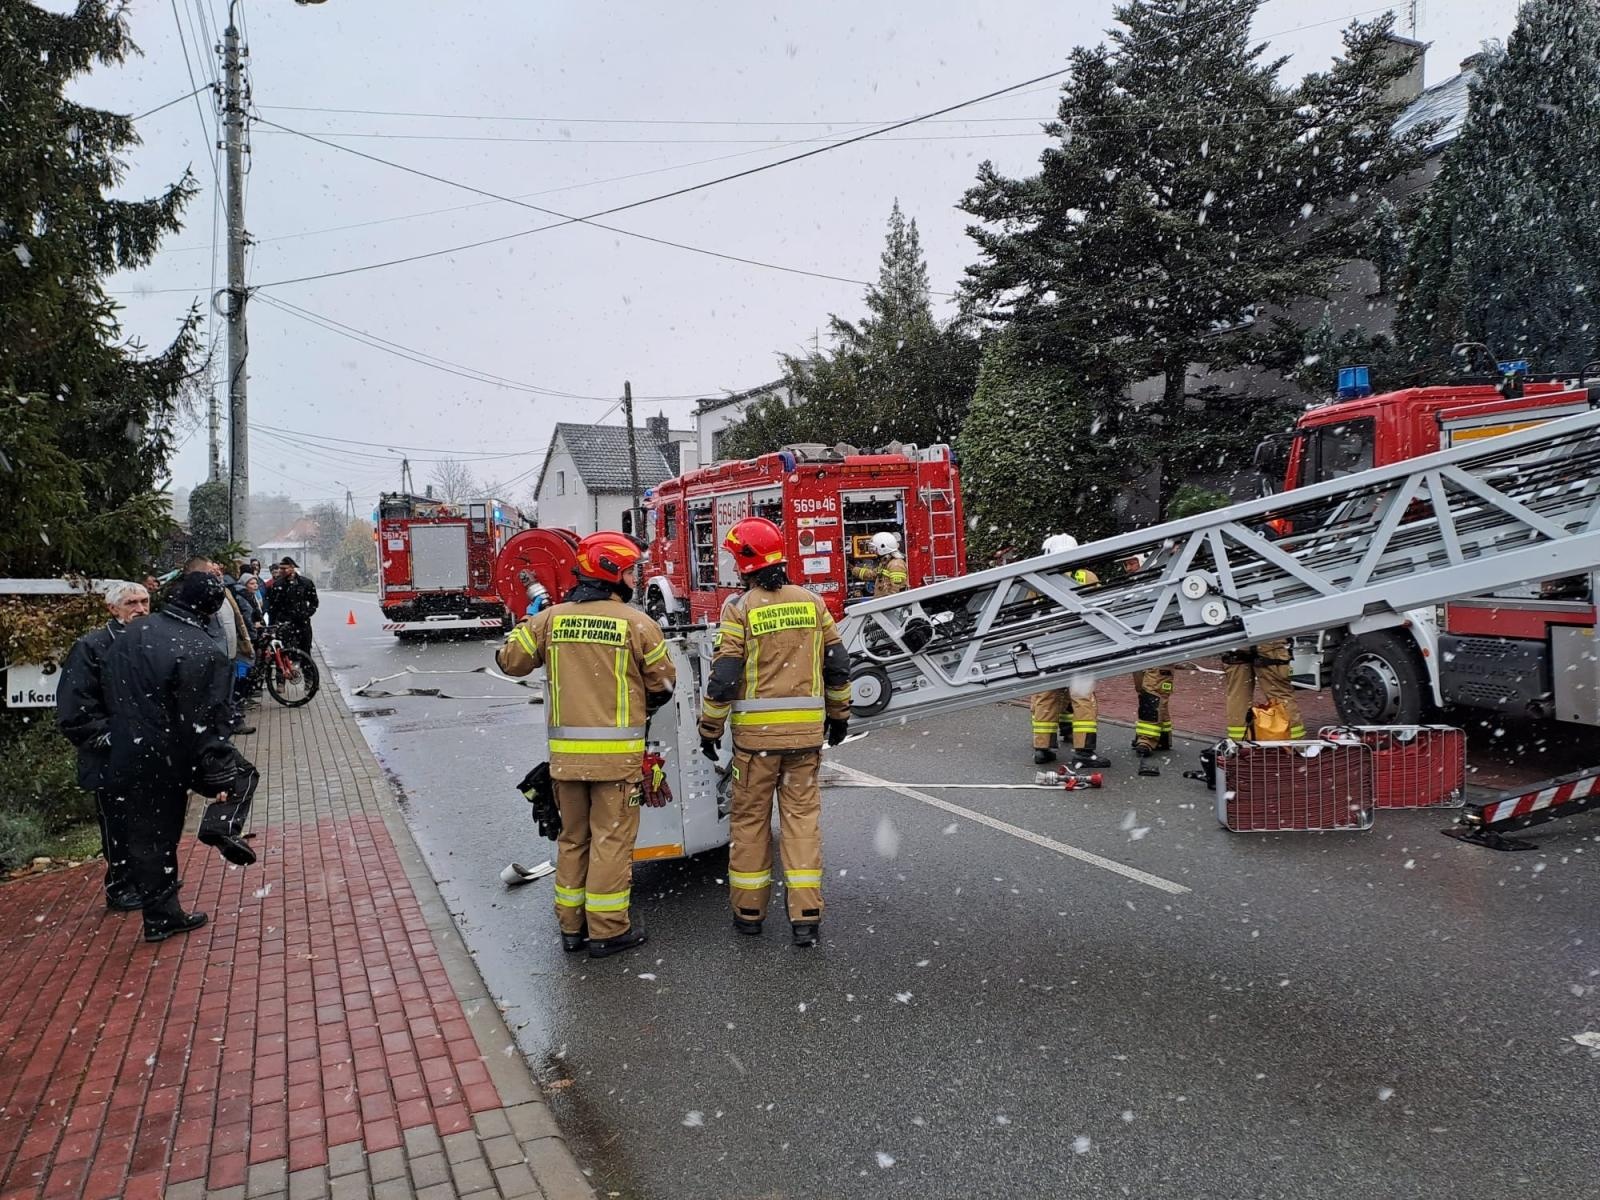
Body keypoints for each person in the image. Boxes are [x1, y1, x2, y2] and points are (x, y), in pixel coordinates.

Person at [495, 532, 675, 958]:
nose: (634, 577)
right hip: (616, 763)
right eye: (630, 570)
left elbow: (509, 662)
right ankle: (608, 931)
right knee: (611, 842)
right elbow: (664, 684)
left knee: (573, 840)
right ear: (613, 573)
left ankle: (571, 929)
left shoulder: (549, 621)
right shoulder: (636, 623)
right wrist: (638, 705)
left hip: (566, 763)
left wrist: (529, 621)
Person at [699, 516, 851, 948]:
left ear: (745, 562)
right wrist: (839, 717)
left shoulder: (739, 609)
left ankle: (750, 913)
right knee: (802, 822)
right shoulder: (812, 603)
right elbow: (838, 665)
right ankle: (806, 916)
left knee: (749, 823)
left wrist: (710, 727)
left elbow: (724, 675)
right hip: (804, 742)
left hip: (754, 747)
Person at [99, 571, 245, 942]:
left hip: (124, 750)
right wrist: (217, 777)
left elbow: (109, 689)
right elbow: (205, 720)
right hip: (165, 758)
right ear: (210, 609)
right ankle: (163, 915)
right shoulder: (199, 649)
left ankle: (158, 908)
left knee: (143, 835)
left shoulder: (131, 634)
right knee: (160, 835)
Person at [56, 581, 152, 911]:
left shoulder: (153, 641)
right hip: (112, 756)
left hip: (151, 753)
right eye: (131, 603)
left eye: (144, 601)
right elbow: (75, 708)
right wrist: (112, 737)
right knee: (118, 823)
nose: (140, 609)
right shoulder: (92, 647)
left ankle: (151, 878)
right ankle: (121, 885)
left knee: (152, 819)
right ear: (112, 608)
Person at [1028, 535, 1111, 769]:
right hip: (1081, 644)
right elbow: (1103, 607)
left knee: (1046, 695)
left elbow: (1030, 613)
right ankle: (1084, 751)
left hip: (1049, 644)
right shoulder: (1087, 577)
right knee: (1082, 696)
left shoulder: (1037, 579)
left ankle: (1042, 748)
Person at [1222, 642, 1306, 741]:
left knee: (1238, 697)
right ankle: (1295, 741)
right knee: (1279, 693)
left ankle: (1238, 741)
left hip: (1236, 641)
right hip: (1269, 642)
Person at [269, 557, 318, 655]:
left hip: (302, 623)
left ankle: (306, 669)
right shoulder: (278, 585)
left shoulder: (305, 583)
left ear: (292, 568)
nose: (281, 571)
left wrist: (306, 614)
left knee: (305, 652)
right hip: (284, 623)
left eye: (284, 568)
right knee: (285, 653)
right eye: (280, 568)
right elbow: (273, 607)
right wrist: (273, 624)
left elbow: (314, 602)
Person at [851, 530, 909, 598]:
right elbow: (872, 574)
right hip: (883, 604)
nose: (874, 551)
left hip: (889, 605)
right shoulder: (886, 563)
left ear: (883, 547)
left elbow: (897, 592)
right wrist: (853, 570)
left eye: (875, 548)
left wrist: (886, 605)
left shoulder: (896, 565)